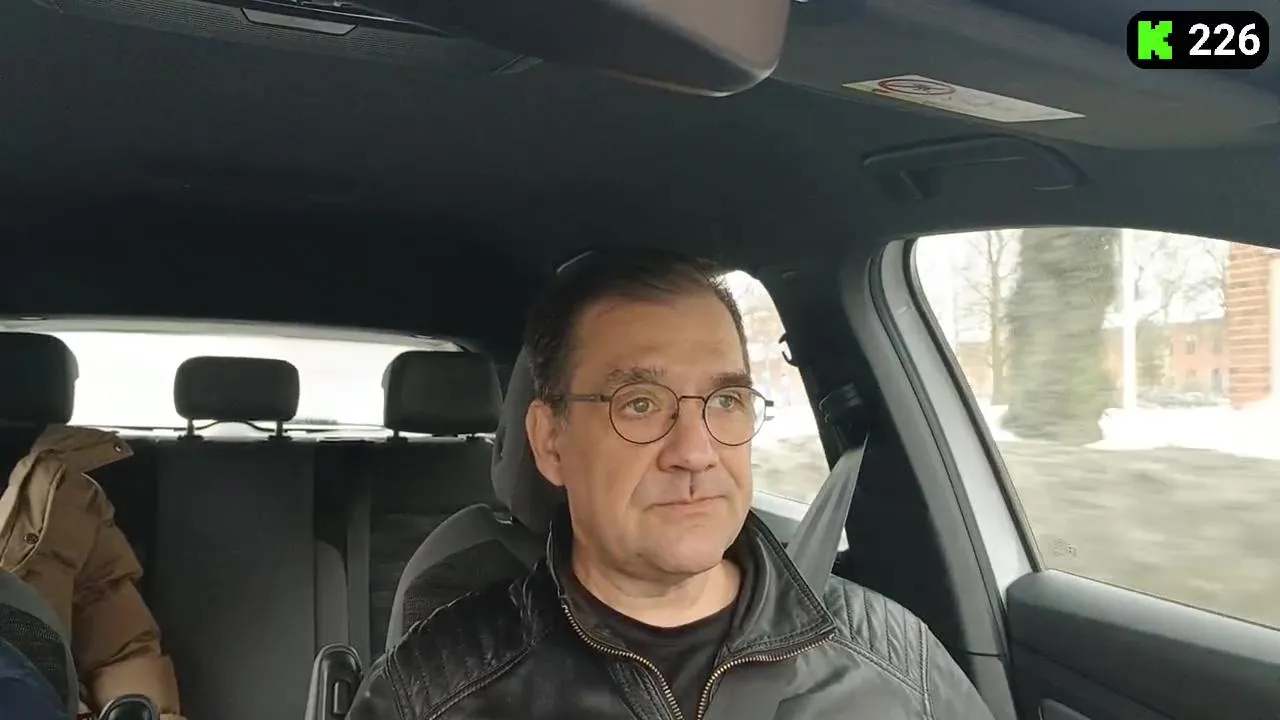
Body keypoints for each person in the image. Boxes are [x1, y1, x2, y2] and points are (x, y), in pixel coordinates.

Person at [348, 250, 995, 719]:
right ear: (550, 442)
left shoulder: (897, 665)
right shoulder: (432, 695)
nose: (695, 452)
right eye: (639, 404)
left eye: (726, 401)